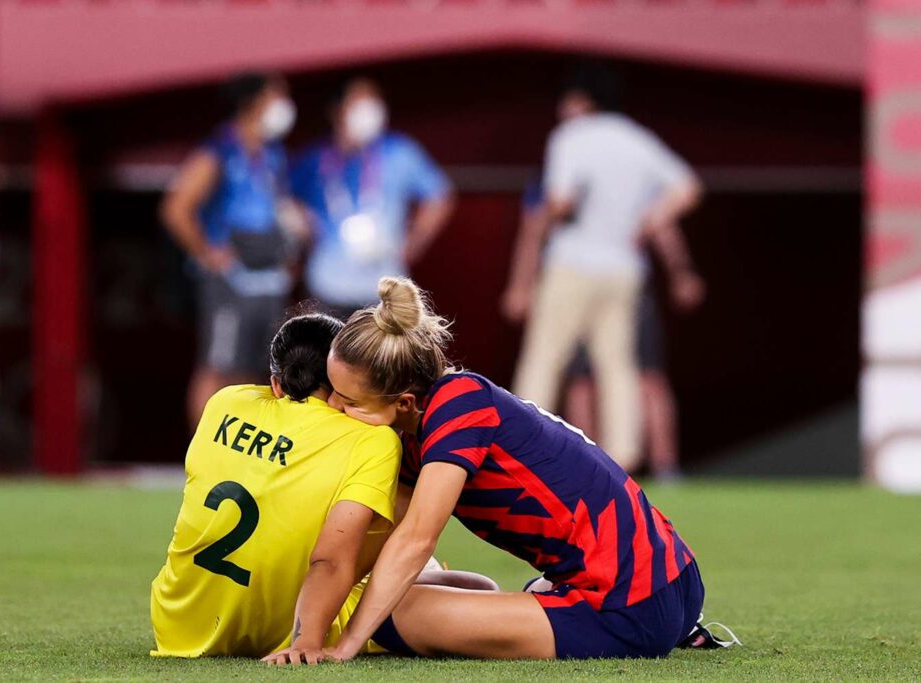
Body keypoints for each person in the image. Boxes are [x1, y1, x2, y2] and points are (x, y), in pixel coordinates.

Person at [271, 277, 714, 663]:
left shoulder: (458, 407)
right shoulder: (426, 425)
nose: (332, 407)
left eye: (347, 402)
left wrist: (346, 644)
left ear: (403, 402)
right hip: (669, 580)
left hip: (628, 606)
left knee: (389, 615)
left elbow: (416, 540)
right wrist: (308, 626)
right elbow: (380, 541)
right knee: (388, 593)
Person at [150, 313, 402, 658]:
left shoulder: (225, 402)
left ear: (276, 383)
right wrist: (306, 643)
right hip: (289, 627)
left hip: (178, 624)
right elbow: (330, 560)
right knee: (426, 560)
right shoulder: (372, 441)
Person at [506, 66, 702, 471]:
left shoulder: (570, 137)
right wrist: (648, 220)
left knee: (545, 356)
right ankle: (623, 453)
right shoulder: (636, 139)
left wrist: (546, 221)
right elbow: (687, 187)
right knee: (618, 364)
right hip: (624, 268)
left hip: (573, 263)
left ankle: (520, 446)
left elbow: (559, 200)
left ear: (581, 101)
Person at [510, 180, 706, 479]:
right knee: (580, 379)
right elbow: (535, 227)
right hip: (573, 279)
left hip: (622, 282)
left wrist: (680, 270)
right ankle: (586, 461)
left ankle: (659, 466)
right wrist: (522, 284)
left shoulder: (626, 171)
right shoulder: (556, 171)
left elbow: (662, 221)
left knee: (641, 375)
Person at [161, 72, 301, 428]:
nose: (284, 106)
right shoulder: (219, 150)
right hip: (231, 280)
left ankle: (241, 455)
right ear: (254, 102)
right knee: (219, 365)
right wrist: (207, 251)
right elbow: (176, 207)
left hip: (267, 277)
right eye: (276, 97)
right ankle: (202, 455)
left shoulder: (272, 153)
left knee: (260, 371)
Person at [291, 77, 455, 319]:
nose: (370, 109)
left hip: (384, 289)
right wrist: (304, 229)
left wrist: (415, 241)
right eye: (360, 102)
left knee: (381, 357)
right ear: (338, 110)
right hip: (328, 286)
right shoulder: (315, 158)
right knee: (327, 355)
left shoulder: (399, 151)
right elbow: (283, 198)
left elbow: (440, 195)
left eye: (374, 101)